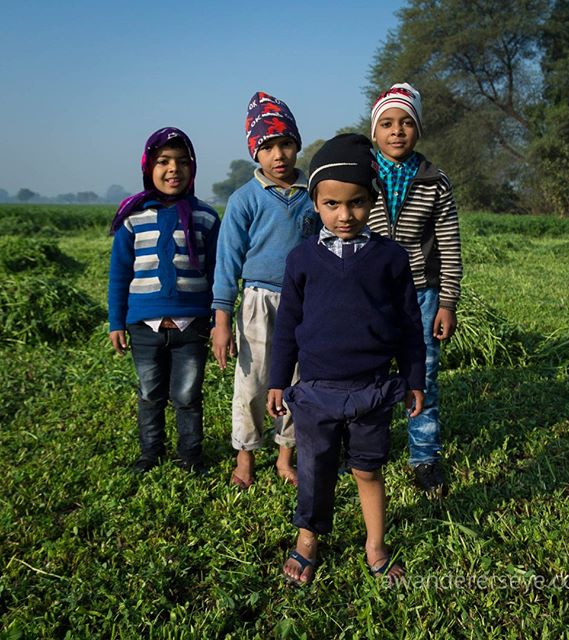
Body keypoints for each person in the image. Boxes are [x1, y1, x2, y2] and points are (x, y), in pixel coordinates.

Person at [267, 134, 426, 586]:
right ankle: (307, 542)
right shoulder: (302, 259)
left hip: (373, 388)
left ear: (371, 201)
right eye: (332, 203)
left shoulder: (390, 259)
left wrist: (415, 378)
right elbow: (288, 328)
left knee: (367, 468)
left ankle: (375, 544)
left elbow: (409, 325)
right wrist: (279, 379)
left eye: (356, 203)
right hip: (316, 389)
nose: (344, 215)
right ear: (314, 202)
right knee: (314, 472)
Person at [211, 92, 318, 490]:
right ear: (256, 152)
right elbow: (227, 264)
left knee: (297, 379)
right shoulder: (244, 200)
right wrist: (222, 321)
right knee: (253, 381)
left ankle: (285, 455)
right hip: (257, 300)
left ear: (297, 145)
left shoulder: (313, 196)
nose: (279, 155)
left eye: (286, 143)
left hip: (304, 302)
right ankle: (245, 455)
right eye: (268, 146)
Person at [108, 127, 220, 474]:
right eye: (163, 162)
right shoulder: (132, 218)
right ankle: (150, 453)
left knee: (187, 396)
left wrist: (219, 321)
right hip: (143, 326)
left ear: (193, 168)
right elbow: (119, 275)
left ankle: (190, 456)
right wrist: (116, 322)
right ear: (148, 167)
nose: (174, 169)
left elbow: (218, 273)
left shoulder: (205, 217)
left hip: (192, 325)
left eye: (183, 162)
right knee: (149, 394)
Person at [369, 83, 463, 495]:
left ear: (419, 129)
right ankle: (362, 450)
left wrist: (448, 301)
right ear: (374, 132)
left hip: (421, 296)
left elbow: (449, 242)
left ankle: (424, 456)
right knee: (364, 372)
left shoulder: (434, 181)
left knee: (421, 376)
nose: (397, 131)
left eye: (406, 122)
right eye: (387, 123)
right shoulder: (359, 174)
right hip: (367, 294)